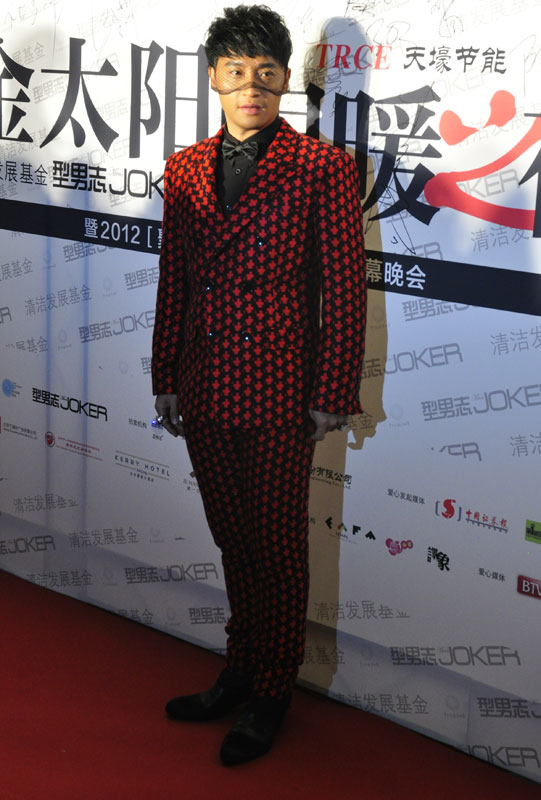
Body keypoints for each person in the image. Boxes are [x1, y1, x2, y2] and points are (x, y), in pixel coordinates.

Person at [152, 4, 366, 766]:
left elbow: (342, 287)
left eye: (266, 73)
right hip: (204, 382)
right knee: (231, 536)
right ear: (214, 78)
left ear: (286, 83)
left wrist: (331, 390)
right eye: (236, 71)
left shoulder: (323, 167)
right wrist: (163, 374)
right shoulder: (183, 166)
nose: (252, 86)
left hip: (279, 387)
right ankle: (239, 667)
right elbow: (172, 276)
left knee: (276, 546)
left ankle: (272, 687)